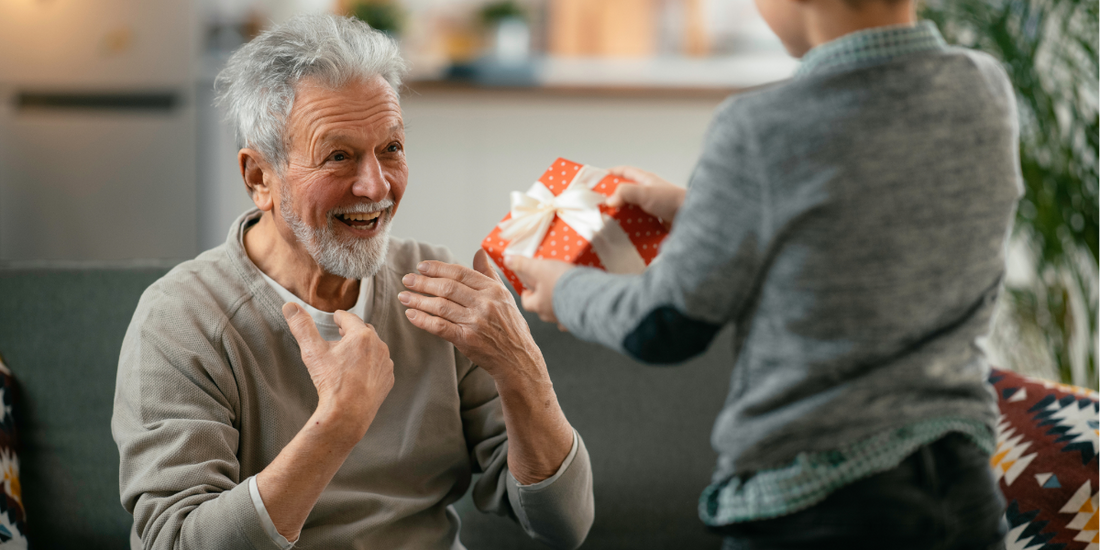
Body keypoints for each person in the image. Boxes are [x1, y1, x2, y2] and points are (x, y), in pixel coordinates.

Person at [507, 0, 1022, 548]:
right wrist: (705, 210)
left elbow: (664, 323)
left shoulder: (761, 127)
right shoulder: (984, 89)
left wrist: (564, 290)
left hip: (819, 509)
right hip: (963, 493)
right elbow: (879, 217)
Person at [111, 14, 593, 550]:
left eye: (391, 148)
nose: (375, 185)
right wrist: (337, 425)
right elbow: (173, 542)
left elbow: (563, 525)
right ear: (259, 177)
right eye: (338, 157)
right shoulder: (182, 319)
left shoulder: (438, 292)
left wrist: (522, 366)